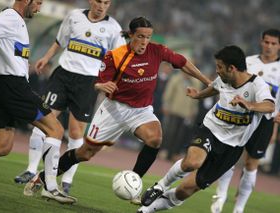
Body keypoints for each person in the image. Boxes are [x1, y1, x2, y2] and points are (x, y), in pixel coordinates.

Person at [23, 16, 211, 203]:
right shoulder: (115, 55)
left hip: (141, 110)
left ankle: (134, 184)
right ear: (131, 35)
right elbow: (97, 82)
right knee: (85, 153)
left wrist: (207, 82)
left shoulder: (157, 51)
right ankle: (42, 177)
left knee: (155, 139)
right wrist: (102, 86)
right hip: (114, 110)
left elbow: (183, 62)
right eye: (140, 36)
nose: (145, 42)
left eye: (148, 37)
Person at [0, 0, 74, 204]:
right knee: (55, 130)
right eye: (37, 3)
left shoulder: (14, 21)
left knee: (3, 146)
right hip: (14, 88)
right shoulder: (10, 17)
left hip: (0, 88)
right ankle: (50, 187)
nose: (39, 8)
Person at [138, 45, 275, 213]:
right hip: (210, 129)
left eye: (219, 67)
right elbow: (215, 87)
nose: (216, 71)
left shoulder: (257, 85)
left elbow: (269, 106)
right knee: (192, 162)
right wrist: (198, 95)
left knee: (185, 190)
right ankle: (160, 186)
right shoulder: (225, 79)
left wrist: (249, 104)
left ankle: (146, 210)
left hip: (232, 147)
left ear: (232, 68)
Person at [15, 0, 126, 200]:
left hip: (88, 83)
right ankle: (31, 170)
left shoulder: (114, 29)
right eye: (99, 1)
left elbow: (120, 61)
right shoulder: (74, 16)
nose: (102, 6)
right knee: (42, 121)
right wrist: (47, 58)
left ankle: (66, 181)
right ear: (92, 1)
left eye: (106, 3)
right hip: (63, 75)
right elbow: (60, 41)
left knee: (76, 132)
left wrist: (108, 83)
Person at [211, 29, 280, 213]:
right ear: (261, 41)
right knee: (230, 157)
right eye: (266, 42)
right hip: (242, 115)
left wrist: (275, 125)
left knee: (251, 163)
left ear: (279, 45)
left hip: (265, 120)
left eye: (273, 43)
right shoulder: (247, 62)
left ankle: (239, 208)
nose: (269, 46)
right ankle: (221, 195)